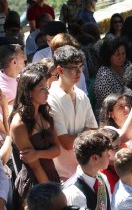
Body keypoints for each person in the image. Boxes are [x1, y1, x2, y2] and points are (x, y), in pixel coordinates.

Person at [9, 69, 60, 208]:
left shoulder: (45, 114)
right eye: (42, 89)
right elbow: (35, 165)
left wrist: (38, 153)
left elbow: (57, 150)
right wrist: (50, 194)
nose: (47, 92)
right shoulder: (19, 124)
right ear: (29, 92)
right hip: (35, 184)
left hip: (51, 175)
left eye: (47, 88)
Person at [48, 45, 98, 181]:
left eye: (81, 67)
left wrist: (85, 133)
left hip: (86, 171)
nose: (79, 72)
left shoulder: (82, 95)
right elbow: (67, 143)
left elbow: (95, 130)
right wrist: (86, 131)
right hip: (62, 176)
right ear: (60, 69)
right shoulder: (50, 98)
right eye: (73, 68)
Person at [63, 130, 112, 209]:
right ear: (95, 157)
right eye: (106, 153)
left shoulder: (102, 178)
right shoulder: (74, 192)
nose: (109, 156)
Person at [94, 37, 129, 115]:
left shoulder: (128, 65)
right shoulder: (103, 77)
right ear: (108, 55)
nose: (121, 57)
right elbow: (111, 105)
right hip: (110, 115)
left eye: (123, 53)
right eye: (117, 55)